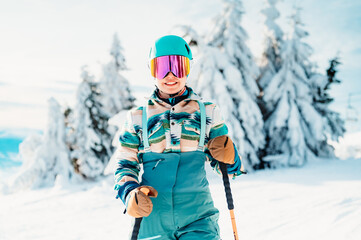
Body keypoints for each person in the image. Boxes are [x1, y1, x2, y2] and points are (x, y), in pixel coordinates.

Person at [114, 35, 244, 240]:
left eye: (178, 66)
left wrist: (229, 155)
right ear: (152, 71)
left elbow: (229, 170)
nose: (170, 74)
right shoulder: (137, 118)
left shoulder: (207, 113)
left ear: (188, 69)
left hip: (198, 217)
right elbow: (124, 165)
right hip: (152, 218)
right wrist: (130, 193)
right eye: (162, 67)